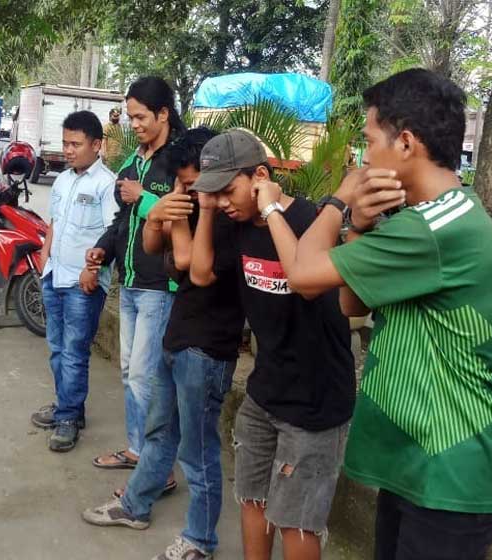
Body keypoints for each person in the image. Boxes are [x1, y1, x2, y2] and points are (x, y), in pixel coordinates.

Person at [256, 68, 492, 560]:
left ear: (406, 143)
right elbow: (352, 304)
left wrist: (339, 199)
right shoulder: (431, 219)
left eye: (370, 141)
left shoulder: (434, 228)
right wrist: (359, 222)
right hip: (416, 464)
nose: (364, 158)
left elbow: (303, 275)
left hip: (450, 472)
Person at [188, 129, 355, 560]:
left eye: (227, 190)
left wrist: (271, 210)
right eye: (214, 193)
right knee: (252, 499)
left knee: (296, 521)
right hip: (265, 393)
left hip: (315, 401)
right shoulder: (234, 224)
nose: (223, 202)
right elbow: (201, 273)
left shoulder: (312, 220)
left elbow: (306, 283)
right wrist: (207, 209)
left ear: (260, 176)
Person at [82, 128, 243, 560]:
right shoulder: (187, 204)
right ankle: (135, 505)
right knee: (158, 432)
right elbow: (154, 248)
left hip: (208, 349)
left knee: (198, 452)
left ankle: (200, 540)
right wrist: (157, 217)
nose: (189, 191)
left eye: (194, 183)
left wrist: (184, 211)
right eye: (182, 183)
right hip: (178, 337)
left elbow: (191, 265)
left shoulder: (228, 218)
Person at [87, 76, 185, 470]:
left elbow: (181, 213)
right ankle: (137, 450)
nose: (135, 124)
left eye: (141, 116)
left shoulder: (178, 162)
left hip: (160, 286)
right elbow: (122, 220)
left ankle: (154, 464)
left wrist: (142, 197)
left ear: (163, 114)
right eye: (130, 117)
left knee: (147, 376)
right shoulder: (132, 163)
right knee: (130, 372)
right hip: (129, 283)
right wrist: (104, 248)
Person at [31, 111, 118, 452]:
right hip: (55, 275)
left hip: (84, 283)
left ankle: (67, 417)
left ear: (96, 145)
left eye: (76, 144)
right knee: (56, 348)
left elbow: (113, 233)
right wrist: (45, 254)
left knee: (74, 352)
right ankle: (68, 407)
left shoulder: (106, 184)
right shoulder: (63, 180)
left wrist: (93, 270)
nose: (68, 150)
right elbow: (55, 221)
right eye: (65, 143)